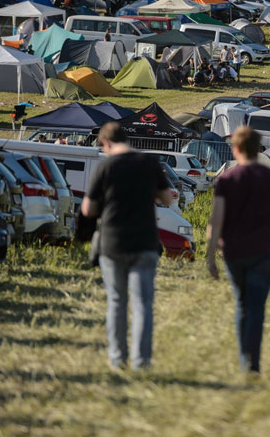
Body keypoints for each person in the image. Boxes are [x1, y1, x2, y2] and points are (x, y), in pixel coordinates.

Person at [206, 126, 270, 374]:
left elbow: (216, 220)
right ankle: (254, 364)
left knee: (242, 305)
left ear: (237, 149)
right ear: (258, 149)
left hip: (233, 254)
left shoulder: (227, 180)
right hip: (262, 252)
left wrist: (210, 255)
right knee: (256, 309)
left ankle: (245, 361)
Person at [81, 122, 172, 371]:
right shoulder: (148, 163)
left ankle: (117, 358)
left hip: (113, 243)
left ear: (107, 143)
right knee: (143, 304)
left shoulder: (105, 166)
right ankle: (142, 362)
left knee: (117, 302)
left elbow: (88, 209)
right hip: (144, 242)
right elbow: (167, 198)